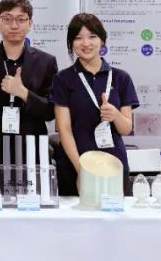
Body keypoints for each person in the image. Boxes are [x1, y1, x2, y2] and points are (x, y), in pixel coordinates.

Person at [50, 13, 138, 195]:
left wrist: (115, 115)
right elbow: (64, 130)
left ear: (102, 40)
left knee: (114, 211)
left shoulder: (121, 78)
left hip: (113, 163)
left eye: (92, 36)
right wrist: (82, 170)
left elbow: (125, 129)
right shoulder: (63, 79)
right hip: (75, 164)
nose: (86, 43)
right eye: (78, 38)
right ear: (71, 43)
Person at [0, 0, 58, 138]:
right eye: (7, 19)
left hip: (32, 145)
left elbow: (51, 112)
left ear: (30, 23)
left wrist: (24, 93)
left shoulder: (46, 62)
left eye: (21, 19)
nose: (14, 26)